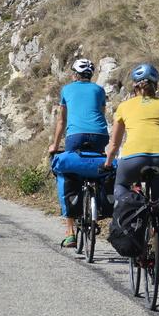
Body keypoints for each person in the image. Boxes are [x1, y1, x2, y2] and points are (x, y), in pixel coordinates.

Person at [48, 58, 109, 248]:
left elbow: (61, 122)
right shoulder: (99, 90)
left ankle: (70, 233)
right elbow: (101, 113)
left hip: (75, 136)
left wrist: (54, 145)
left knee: (70, 173)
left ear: (74, 74)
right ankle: (96, 209)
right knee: (95, 165)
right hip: (100, 135)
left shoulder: (66, 90)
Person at [103, 63, 159, 201]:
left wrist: (108, 163)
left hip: (133, 156)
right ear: (156, 85)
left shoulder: (124, 106)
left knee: (120, 186)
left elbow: (114, 144)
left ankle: (127, 219)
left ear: (134, 86)